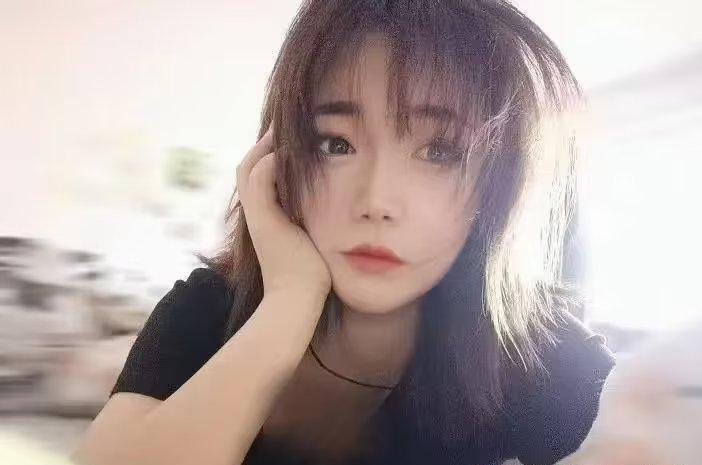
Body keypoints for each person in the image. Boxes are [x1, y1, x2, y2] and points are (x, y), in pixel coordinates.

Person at [71, 1, 616, 464]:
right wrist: (289, 301)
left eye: (441, 151)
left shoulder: (540, 358)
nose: (376, 202)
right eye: (337, 144)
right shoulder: (209, 308)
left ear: (499, 187)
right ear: (276, 161)